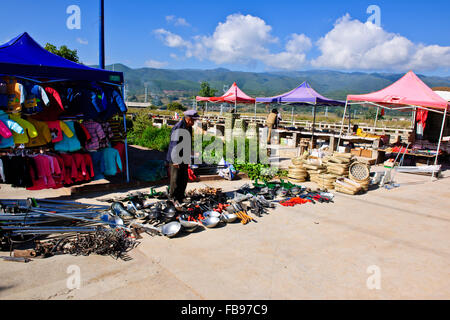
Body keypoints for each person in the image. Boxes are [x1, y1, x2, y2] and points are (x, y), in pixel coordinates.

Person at [166, 110, 200, 207]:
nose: (194, 122)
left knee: (183, 178)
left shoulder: (189, 128)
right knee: (175, 179)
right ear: (188, 119)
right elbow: (174, 144)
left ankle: (181, 196)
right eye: (194, 120)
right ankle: (172, 198)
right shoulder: (178, 128)